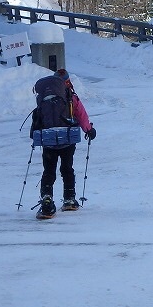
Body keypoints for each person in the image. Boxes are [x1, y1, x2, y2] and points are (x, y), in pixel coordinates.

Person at [33, 69, 96, 218]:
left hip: (48, 140)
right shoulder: (70, 97)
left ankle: (47, 199)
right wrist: (89, 130)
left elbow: (38, 117)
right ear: (67, 82)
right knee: (67, 169)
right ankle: (69, 199)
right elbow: (81, 115)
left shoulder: (44, 97)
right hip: (67, 139)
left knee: (49, 171)